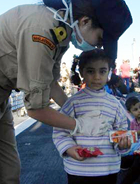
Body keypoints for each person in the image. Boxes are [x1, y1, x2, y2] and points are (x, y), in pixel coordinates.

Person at [0, 0, 132, 184]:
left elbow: (49, 82)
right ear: (84, 22)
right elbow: (36, 109)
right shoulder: (43, 31)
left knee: (7, 170)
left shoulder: (62, 30)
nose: (99, 46)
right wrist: (81, 125)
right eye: (100, 39)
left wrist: (75, 109)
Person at [53, 49, 131, 184]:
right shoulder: (72, 103)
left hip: (108, 169)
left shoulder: (115, 104)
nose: (96, 77)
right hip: (78, 169)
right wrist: (69, 148)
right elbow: (60, 131)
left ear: (109, 72)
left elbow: (121, 131)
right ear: (82, 72)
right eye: (90, 71)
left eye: (102, 71)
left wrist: (123, 144)